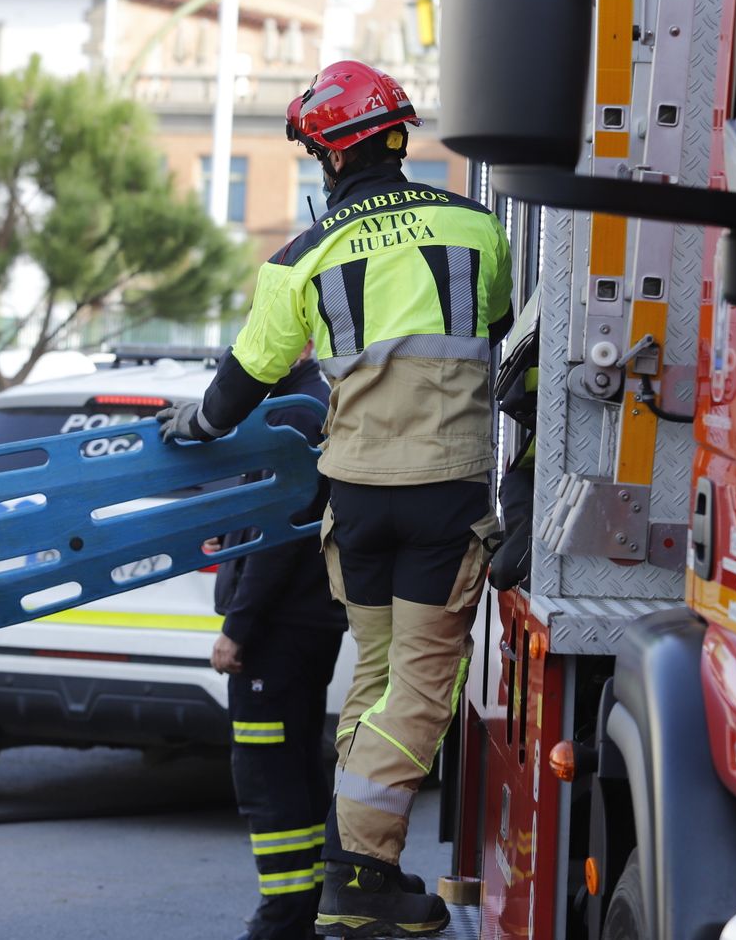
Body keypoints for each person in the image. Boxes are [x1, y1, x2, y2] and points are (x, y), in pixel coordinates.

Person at [158, 60, 512, 938]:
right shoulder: (477, 229)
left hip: (354, 506)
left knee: (380, 680)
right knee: (422, 689)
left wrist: (193, 425)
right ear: (398, 138)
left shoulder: (299, 257)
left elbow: (239, 385)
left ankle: (358, 872)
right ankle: (357, 871)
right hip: (442, 496)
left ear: (332, 155)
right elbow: (504, 334)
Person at [212, 349, 346, 940]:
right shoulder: (307, 403)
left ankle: (283, 916)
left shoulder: (294, 413)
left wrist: (238, 628)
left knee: (268, 775)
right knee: (297, 767)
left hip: (277, 632)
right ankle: (305, 909)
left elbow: (277, 539)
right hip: (305, 625)